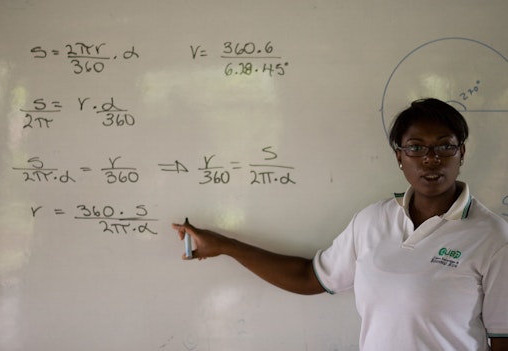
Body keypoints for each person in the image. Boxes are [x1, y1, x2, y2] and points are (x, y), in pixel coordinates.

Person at [172, 98, 508, 351]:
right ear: (399, 156)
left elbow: (502, 338)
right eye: (416, 147)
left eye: (445, 147)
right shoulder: (372, 221)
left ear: (461, 153)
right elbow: (308, 277)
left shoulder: (493, 238)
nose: (431, 159)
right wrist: (225, 246)